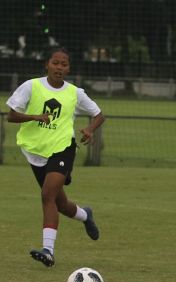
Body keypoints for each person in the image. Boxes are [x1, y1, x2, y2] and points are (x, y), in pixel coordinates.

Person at [5, 47, 104, 267]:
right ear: (47, 64)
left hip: (63, 148)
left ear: (68, 68)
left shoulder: (74, 92)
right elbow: (11, 116)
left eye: (64, 64)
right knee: (60, 204)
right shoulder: (31, 86)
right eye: (55, 63)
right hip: (35, 151)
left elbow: (99, 115)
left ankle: (48, 251)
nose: (59, 67)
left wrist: (89, 129)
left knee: (47, 194)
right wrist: (35, 116)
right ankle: (85, 215)